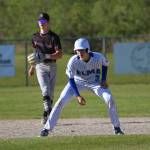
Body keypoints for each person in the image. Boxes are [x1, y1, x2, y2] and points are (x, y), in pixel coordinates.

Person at [39, 37, 124, 136]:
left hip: (95, 83)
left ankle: (117, 128)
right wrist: (77, 95)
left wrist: (103, 79)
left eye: (82, 50)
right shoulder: (73, 60)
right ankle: (46, 129)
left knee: (109, 98)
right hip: (77, 82)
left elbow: (105, 64)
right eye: (77, 50)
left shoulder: (98, 57)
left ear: (88, 49)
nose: (79, 53)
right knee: (60, 101)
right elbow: (70, 79)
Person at [28, 12, 63, 125]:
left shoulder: (54, 37)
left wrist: (46, 55)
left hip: (52, 66)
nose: (41, 23)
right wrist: (32, 67)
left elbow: (60, 54)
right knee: (45, 90)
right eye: (40, 21)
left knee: (51, 94)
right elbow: (36, 55)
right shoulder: (35, 37)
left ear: (48, 22)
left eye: (43, 21)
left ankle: (45, 114)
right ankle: (50, 112)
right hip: (40, 66)